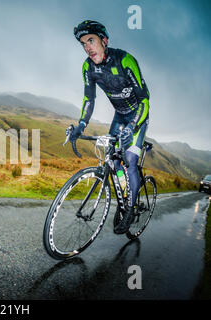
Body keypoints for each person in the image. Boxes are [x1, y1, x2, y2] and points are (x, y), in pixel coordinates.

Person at [71, 20, 150, 234]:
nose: (87, 47)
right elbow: (89, 99)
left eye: (91, 40)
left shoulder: (125, 60)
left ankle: (131, 209)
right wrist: (81, 124)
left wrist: (132, 127)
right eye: (83, 43)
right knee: (112, 159)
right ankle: (125, 195)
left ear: (104, 41)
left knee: (131, 161)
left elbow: (144, 99)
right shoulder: (88, 67)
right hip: (119, 116)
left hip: (137, 116)